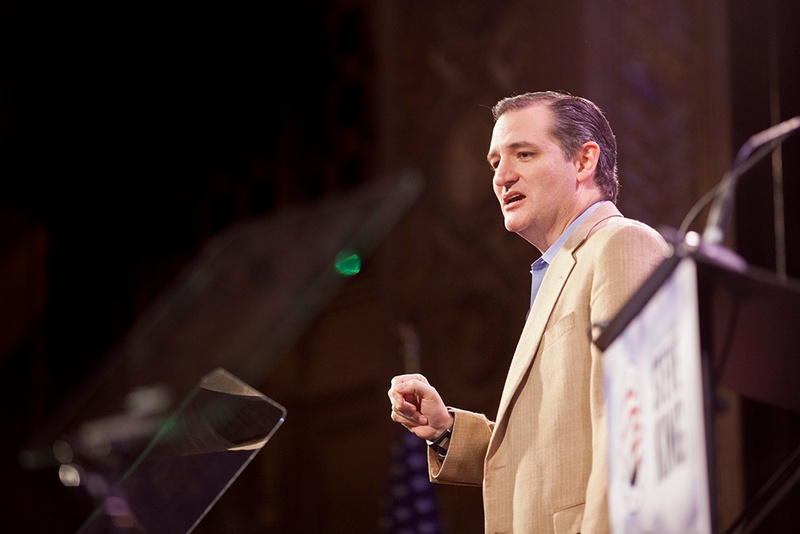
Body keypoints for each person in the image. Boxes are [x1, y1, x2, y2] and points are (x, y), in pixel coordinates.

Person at [388, 91, 669, 533]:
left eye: (523, 153)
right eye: (495, 162)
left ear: (583, 161)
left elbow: (631, 428)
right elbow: (551, 451)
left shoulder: (620, 245)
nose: (502, 176)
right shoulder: (556, 269)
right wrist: (446, 431)